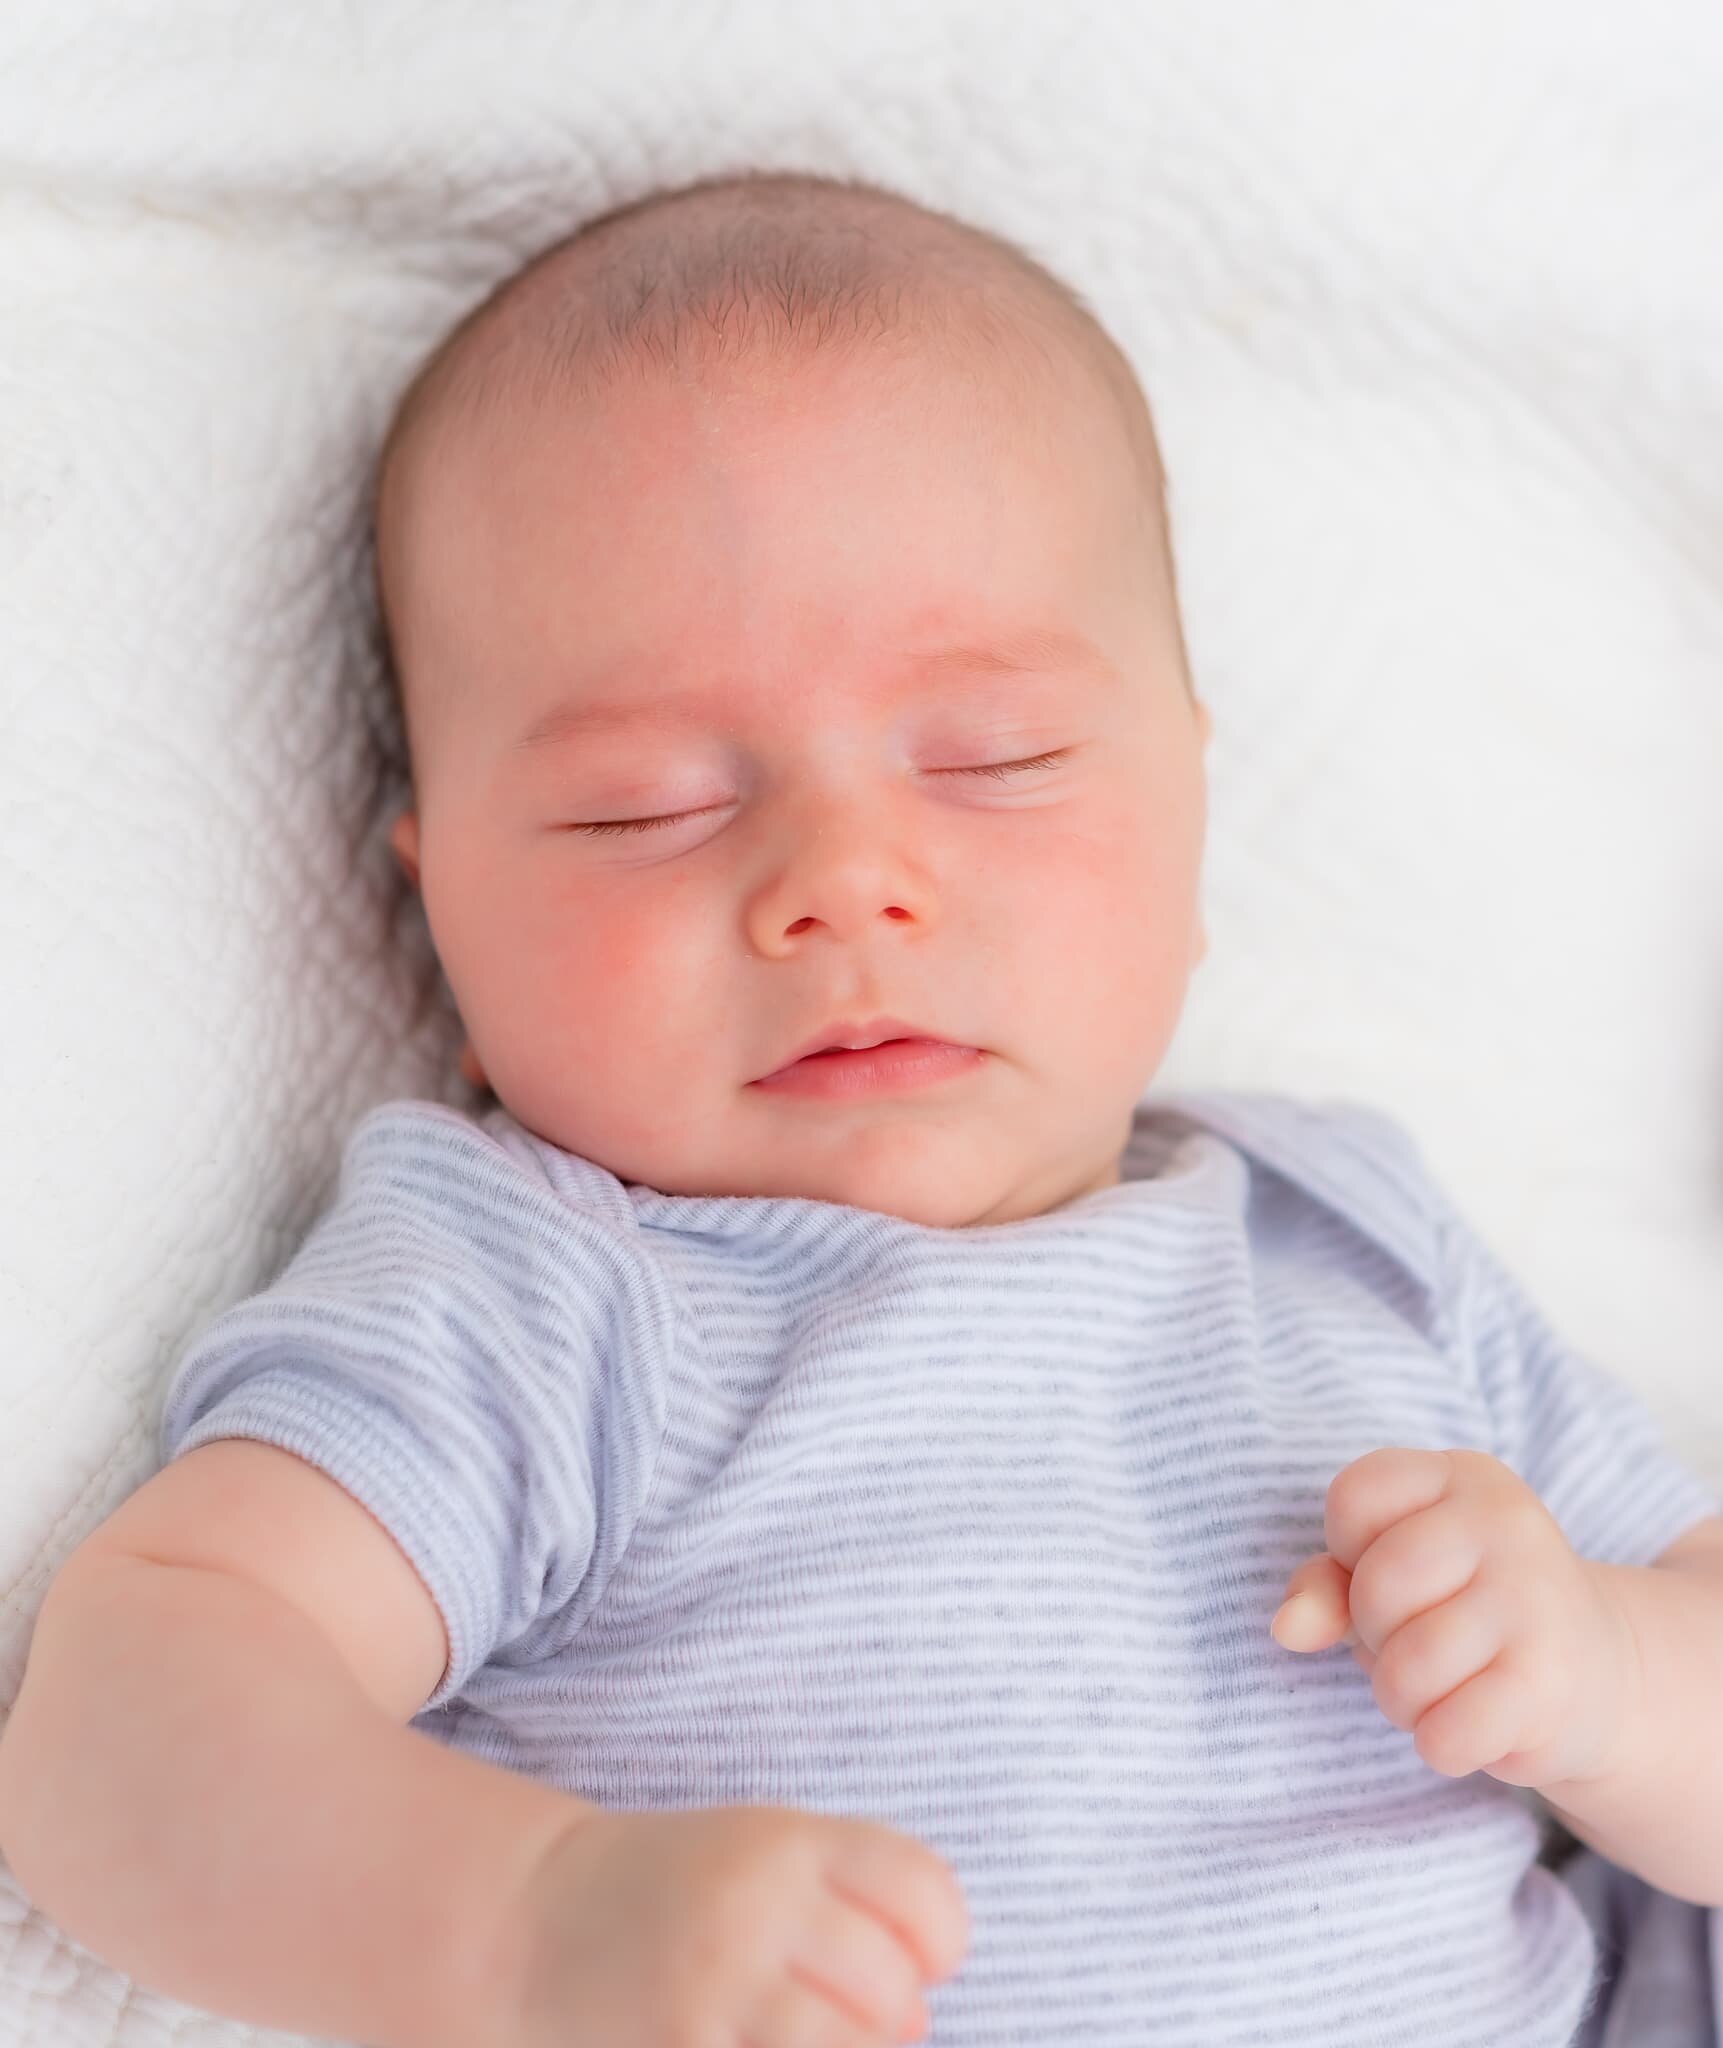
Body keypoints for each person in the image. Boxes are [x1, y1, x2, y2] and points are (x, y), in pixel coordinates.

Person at [4, 168, 1721, 2048]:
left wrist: (1617, 1675)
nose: (847, 881)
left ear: (1190, 807)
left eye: (997, 760)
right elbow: (121, 1719)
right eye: (648, 803)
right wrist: (527, 1918)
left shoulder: (1354, 1244)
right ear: (439, 912)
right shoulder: (553, 1298)